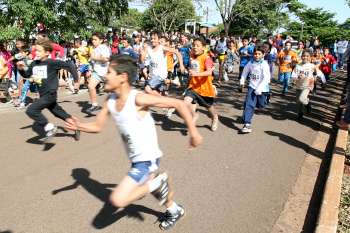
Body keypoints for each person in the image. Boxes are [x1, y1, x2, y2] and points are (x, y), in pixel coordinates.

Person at [64, 54, 203, 230]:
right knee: (152, 189)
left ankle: (158, 182)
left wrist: (193, 132)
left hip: (147, 160)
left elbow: (178, 104)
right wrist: (79, 125)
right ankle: (174, 209)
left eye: (109, 72)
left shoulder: (138, 99)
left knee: (118, 199)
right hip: (137, 160)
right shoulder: (110, 101)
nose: (105, 75)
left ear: (123, 77)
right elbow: (98, 126)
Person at [17, 38, 80, 141]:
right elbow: (27, 75)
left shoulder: (52, 63)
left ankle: (49, 127)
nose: (36, 52)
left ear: (47, 53)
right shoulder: (34, 64)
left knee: (31, 110)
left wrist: (76, 81)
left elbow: (70, 66)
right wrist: (20, 69)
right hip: (43, 95)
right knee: (58, 112)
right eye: (35, 50)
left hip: (50, 94)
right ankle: (76, 125)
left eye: (39, 50)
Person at [184, 37, 219, 131]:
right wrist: (188, 82)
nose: (195, 47)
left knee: (209, 107)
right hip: (194, 86)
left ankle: (215, 118)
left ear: (203, 47)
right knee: (186, 102)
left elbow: (209, 72)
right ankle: (193, 117)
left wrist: (196, 74)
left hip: (204, 88)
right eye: (193, 45)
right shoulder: (192, 56)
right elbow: (192, 71)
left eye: (197, 46)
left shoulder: (207, 58)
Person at [239, 44, 271, 133]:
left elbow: (267, 78)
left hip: (262, 89)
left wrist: (260, 88)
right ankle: (247, 124)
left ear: (263, 55)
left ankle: (267, 98)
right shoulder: (251, 62)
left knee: (261, 105)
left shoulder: (265, 64)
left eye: (259, 54)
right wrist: (242, 81)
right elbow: (245, 72)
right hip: (252, 87)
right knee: (250, 104)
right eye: (255, 54)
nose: (257, 56)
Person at [292, 51, 324, 120]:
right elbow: (293, 75)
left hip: (308, 85)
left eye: (307, 56)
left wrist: (323, 81)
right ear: (301, 57)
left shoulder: (312, 66)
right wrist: (297, 78)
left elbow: (320, 73)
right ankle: (300, 114)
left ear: (310, 57)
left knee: (302, 99)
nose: (305, 57)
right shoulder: (298, 66)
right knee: (298, 101)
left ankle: (308, 105)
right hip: (299, 85)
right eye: (303, 56)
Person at [86, 32, 111, 114]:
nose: (93, 41)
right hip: (97, 72)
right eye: (92, 39)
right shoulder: (94, 49)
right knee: (90, 86)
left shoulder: (103, 47)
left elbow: (106, 59)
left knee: (113, 91)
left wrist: (94, 57)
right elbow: (92, 62)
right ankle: (94, 105)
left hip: (106, 73)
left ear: (101, 40)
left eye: (95, 40)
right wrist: (89, 70)